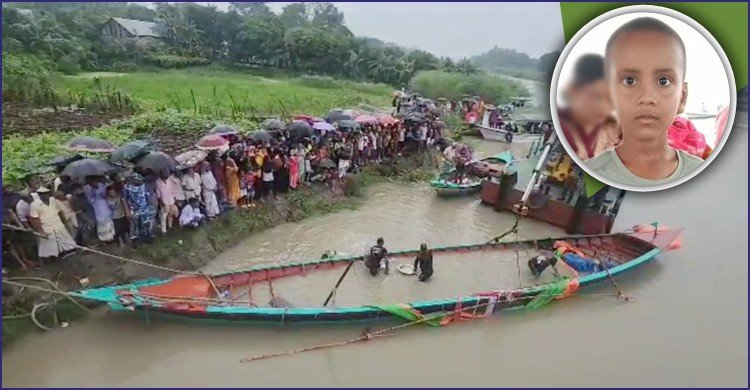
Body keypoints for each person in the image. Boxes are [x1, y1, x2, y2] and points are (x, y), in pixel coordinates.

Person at [585, 17, 703, 186]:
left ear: (682, 97)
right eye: (629, 81)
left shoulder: (701, 174)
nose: (647, 97)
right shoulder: (589, 175)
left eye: (663, 81)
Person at [558, 54, 620, 160]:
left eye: (610, 99)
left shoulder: (616, 131)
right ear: (574, 91)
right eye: (597, 96)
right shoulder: (560, 129)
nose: (604, 107)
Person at [27, 187, 77, 261]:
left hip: (58, 225)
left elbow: (60, 213)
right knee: (50, 249)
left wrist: (65, 223)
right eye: (42, 194)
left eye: (46, 194)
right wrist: (41, 231)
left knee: (67, 245)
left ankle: (68, 255)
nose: (44, 196)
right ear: (39, 195)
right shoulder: (34, 205)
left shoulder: (53, 201)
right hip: (47, 228)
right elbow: (35, 219)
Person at [122, 173, 156, 243]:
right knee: (134, 225)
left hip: (144, 207)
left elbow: (147, 195)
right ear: (133, 180)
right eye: (138, 180)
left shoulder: (143, 185)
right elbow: (124, 199)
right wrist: (127, 211)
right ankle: (135, 240)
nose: (140, 182)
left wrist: (150, 205)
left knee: (146, 223)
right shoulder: (127, 187)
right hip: (133, 209)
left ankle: (146, 237)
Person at [84, 178, 115, 242]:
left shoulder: (101, 185)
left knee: (108, 220)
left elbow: (105, 195)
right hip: (96, 206)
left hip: (103, 204)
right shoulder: (86, 188)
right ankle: (104, 238)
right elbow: (89, 201)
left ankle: (111, 236)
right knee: (100, 222)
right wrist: (93, 194)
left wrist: (102, 194)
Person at [155, 170, 178, 234]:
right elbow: (158, 194)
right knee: (164, 216)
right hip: (164, 201)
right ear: (161, 175)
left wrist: (174, 199)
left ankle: (170, 226)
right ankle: (163, 231)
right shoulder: (157, 182)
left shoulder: (169, 180)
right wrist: (162, 203)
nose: (166, 175)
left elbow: (172, 190)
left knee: (171, 214)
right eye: (165, 174)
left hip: (171, 200)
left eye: (167, 174)